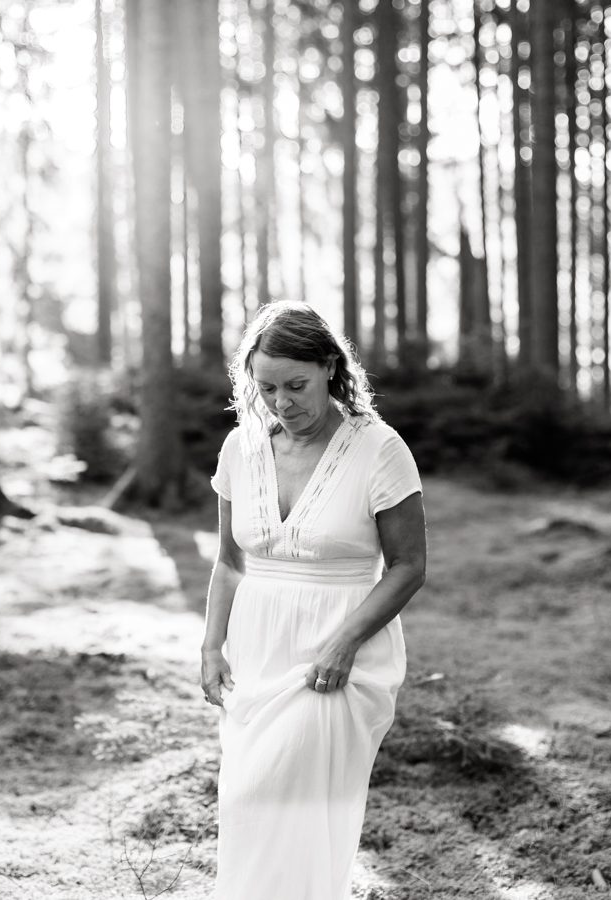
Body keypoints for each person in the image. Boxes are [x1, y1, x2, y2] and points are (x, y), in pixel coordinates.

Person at [201, 300, 428, 900]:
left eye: (296, 385)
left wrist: (344, 642)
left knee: (288, 800)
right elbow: (229, 561)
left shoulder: (379, 448)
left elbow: (409, 566)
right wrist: (210, 646)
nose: (282, 402)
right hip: (256, 651)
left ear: (330, 366)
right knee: (247, 803)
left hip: (338, 653)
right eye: (267, 387)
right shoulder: (239, 450)